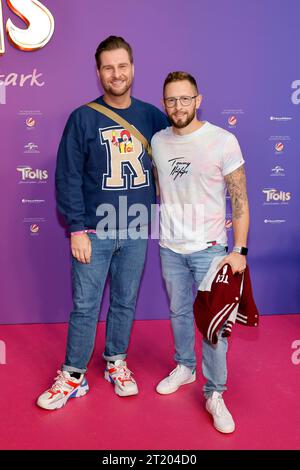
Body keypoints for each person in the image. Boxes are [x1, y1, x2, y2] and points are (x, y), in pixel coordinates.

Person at [37, 36, 168, 410]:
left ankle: (116, 361)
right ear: (98, 73)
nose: (116, 73)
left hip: (138, 227)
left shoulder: (151, 116)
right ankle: (74, 374)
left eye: (122, 66)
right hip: (94, 231)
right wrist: (76, 228)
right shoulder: (83, 117)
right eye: (108, 67)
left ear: (133, 68)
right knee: (85, 305)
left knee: (125, 301)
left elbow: (176, 154)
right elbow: (68, 176)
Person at [151, 71, 250, 433]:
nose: (178, 106)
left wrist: (239, 249)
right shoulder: (158, 141)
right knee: (178, 312)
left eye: (185, 98)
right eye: (171, 100)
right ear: (165, 104)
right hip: (170, 248)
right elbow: (162, 188)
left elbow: (239, 200)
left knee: (214, 327)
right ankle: (184, 366)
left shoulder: (223, 141)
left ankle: (215, 393)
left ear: (198, 99)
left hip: (211, 250)